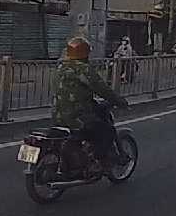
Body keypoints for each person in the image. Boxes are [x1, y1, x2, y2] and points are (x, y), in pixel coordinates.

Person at [51, 37, 128, 168]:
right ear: (85, 53)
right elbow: (102, 89)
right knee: (107, 131)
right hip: (78, 117)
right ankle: (97, 160)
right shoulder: (84, 70)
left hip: (57, 115)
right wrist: (120, 101)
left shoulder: (60, 68)